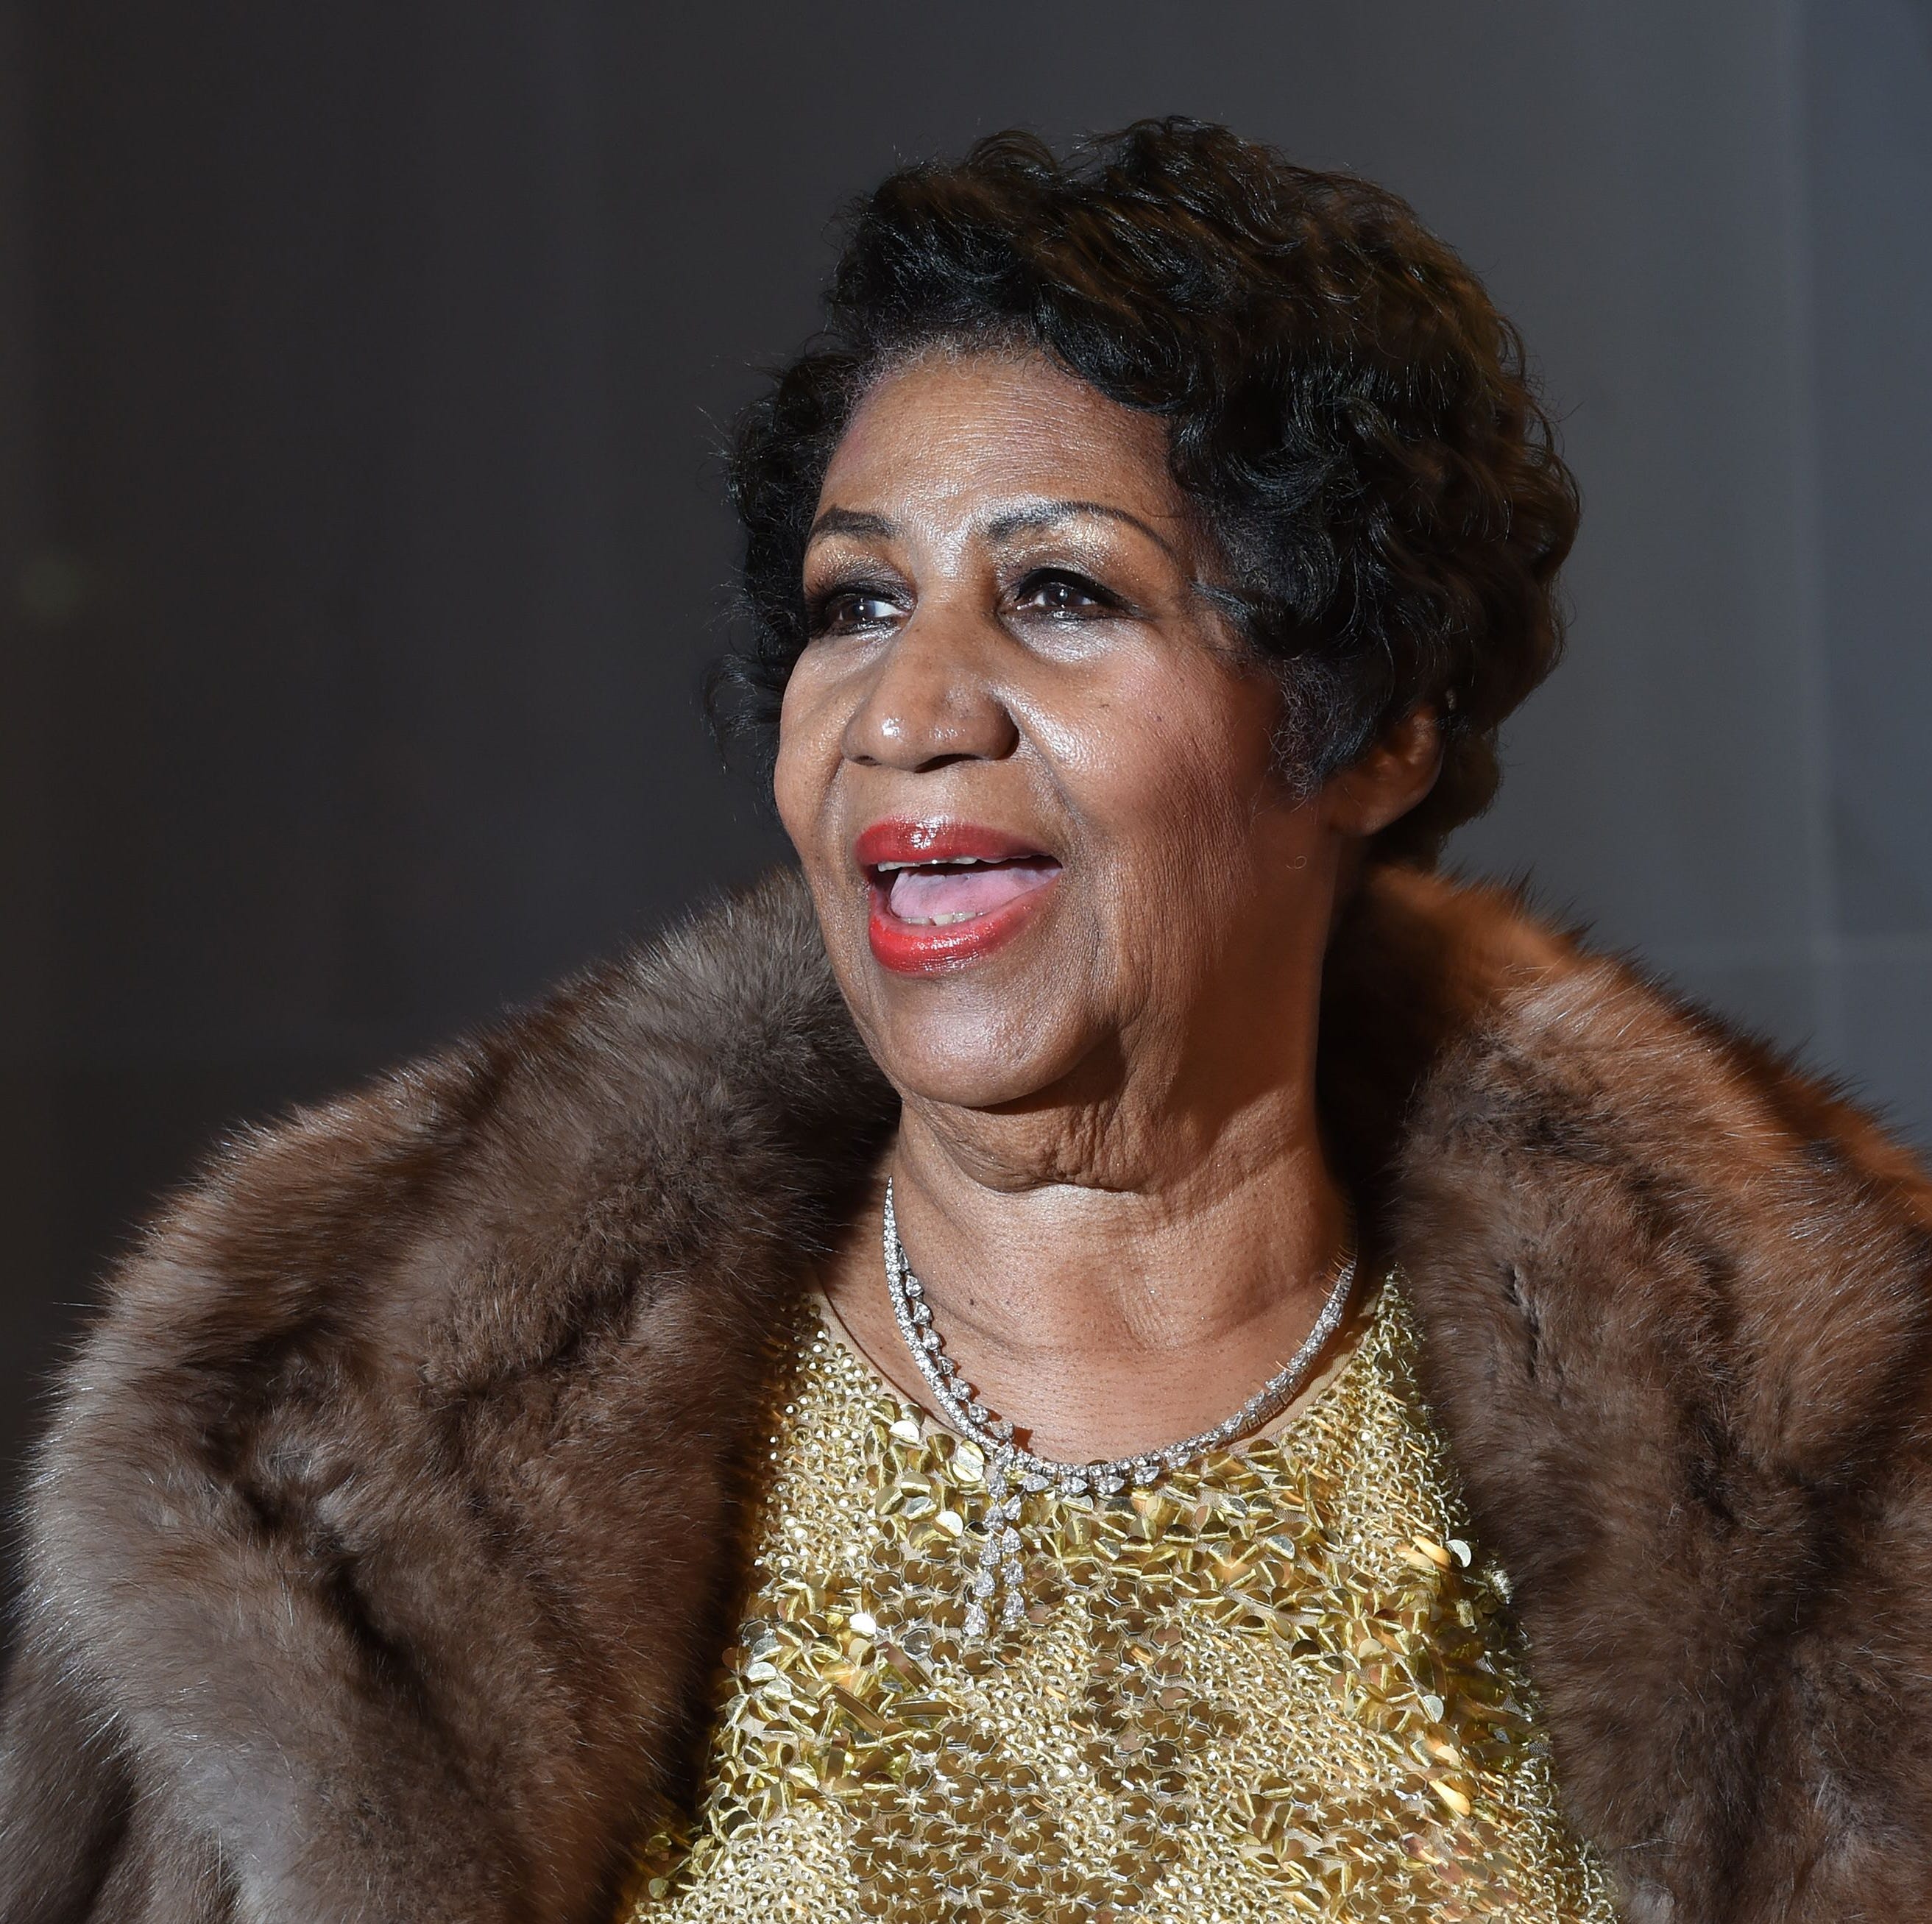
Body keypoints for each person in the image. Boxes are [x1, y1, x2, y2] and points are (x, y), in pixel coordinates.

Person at [4, 118, 1929, 1924]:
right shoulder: (311, 1489)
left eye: (1062, 591)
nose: (909, 711)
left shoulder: (1833, 1489)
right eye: (855, 605)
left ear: (1372, 729)